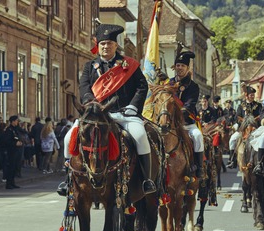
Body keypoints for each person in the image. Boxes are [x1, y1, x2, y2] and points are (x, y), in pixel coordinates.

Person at [64, 23, 155, 194]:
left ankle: (146, 179)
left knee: (141, 136)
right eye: (103, 44)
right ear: (97, 46)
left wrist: (133, 107)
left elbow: (142, 87)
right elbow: (84, 87)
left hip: (124, 114)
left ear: (116, 45)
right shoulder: (89, 66)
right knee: (69, 137)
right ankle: (68, 180)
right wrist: (91, 103)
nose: (106, 47)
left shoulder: (129, 65)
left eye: (109, 44)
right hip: (96, 115)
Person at [166, 50, 205, 178]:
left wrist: (178, 112)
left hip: (186, 124)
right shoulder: (168, 84)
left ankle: (199, 167)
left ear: (188, 68)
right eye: (178, 65)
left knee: (198, 136)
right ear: (174, 67)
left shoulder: (193, 86)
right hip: (170, 124)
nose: (180, 68)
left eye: (183, 66)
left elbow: (189, 104)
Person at [227, 85, 262, 169]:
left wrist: (253, 120)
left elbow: (260, 115)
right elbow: (237, 117)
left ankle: (261, 162)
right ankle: (232, 159)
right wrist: (244, 121)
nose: (252, 96)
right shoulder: (241, 106)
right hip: (243, 129)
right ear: (247, 95)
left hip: (255, 129)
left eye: (253, 95)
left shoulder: (258, 105)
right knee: (232, 139)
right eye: (251, 95)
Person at [2, 115, 23, 189]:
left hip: (16, 151)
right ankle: (8, 183)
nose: (17, 122)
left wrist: (19, 142)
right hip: (11, 152)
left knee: (14, 168)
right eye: (16, 121)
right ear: (13, 121)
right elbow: (7, 141)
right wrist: (15, 143)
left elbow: (18, 137)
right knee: (10, 167)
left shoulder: (15, 129)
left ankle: (12, 182)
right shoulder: (9, 130)